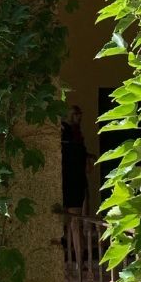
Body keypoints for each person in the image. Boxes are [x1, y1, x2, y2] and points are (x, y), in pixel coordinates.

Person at [61, 105, 91, 269]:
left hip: (70, 184)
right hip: (73, 184)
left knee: (71, 224)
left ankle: (76, 262)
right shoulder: (75, 141)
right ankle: (78, 262)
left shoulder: (66, 144)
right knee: (73, 224)